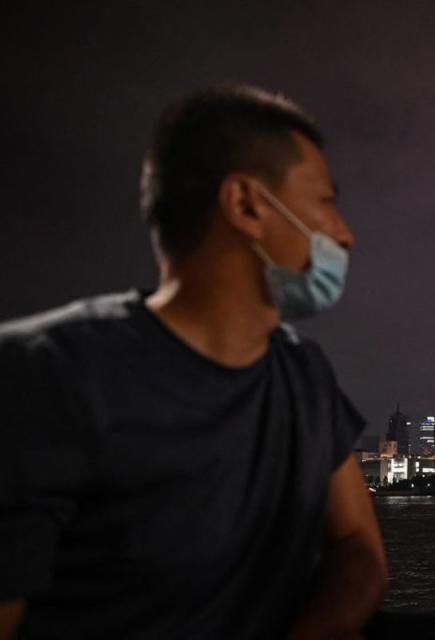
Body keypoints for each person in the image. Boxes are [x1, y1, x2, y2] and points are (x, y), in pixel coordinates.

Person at [0, 85, 387, 638]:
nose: (344, 234)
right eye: (326, 201)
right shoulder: (44, 376)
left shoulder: (304, 376)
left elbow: (357, 548)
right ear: (247, 205)